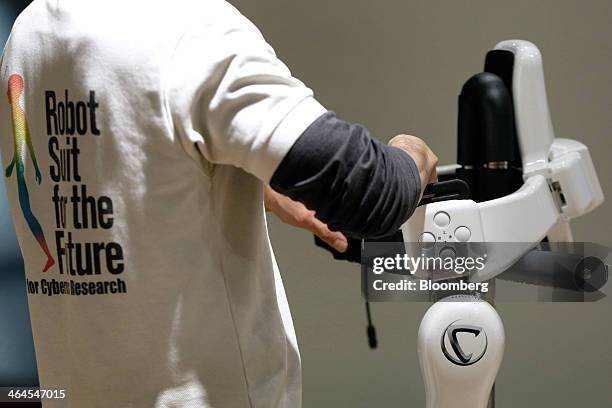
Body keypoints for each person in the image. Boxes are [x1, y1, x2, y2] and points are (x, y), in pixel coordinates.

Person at [0, 0, 437, 407]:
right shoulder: (190, 30)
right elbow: (373, 192)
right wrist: (410, 151)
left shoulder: (29, 34)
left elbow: (110, 160)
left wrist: (237, 172)